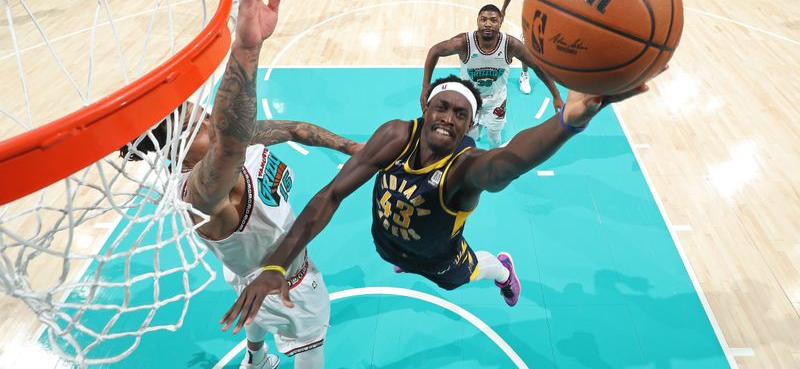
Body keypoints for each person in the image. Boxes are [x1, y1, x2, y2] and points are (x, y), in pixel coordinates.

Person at [219, 73, 655, 335]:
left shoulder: (465, 169)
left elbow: (510, 160)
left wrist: (567, 122)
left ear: (469, 125)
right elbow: (330, 195)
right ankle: (404, 257)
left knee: (462, 277)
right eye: (441, 108)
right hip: (389, 243)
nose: (447, 117)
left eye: (459, 114)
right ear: (426, 108)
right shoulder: (396, 134)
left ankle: (502, 268)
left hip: (441, 255)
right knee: (394, 250)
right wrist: (276, 264)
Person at [122, 0, 360, 369]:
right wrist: (247, 48)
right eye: (198, 121)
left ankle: (255, 358)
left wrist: (354, 148)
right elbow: (230, 144)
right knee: (304, 341)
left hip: (251, 277)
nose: (209, 118)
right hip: (289, 287)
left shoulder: (222, 142)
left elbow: (293, 129)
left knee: (253, 309)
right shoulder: (202, 191)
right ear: (177, 149)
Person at [421, 4, 563, 147]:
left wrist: (556, 95)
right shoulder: (464, 43)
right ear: (477, 21)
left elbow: (537, 67)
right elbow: (435, 51)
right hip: (470, 99)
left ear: (500, 22)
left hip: (496, 100)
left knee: (494, 137)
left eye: (493, 20)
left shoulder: (510, 45)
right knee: (470, 136)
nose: (488, 24)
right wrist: (425, 87)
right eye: (483, 20)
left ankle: (493, 161)